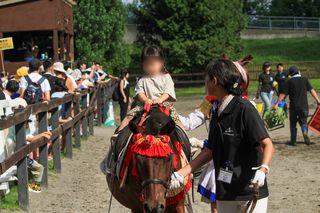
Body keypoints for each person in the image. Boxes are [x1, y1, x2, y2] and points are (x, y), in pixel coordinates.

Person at [171, 59, 275, 213]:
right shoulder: (215, 110)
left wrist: (263, 169)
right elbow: (210, 151)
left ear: (214, 80)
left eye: (206, 78)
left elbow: (268, 144)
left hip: (249, 189)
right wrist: (181, 173)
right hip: (225, 190)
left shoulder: (245, 108)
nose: (205, 83)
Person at [117, 45, 176, 131]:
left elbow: (168, 91)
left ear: (161, 63)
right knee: (129, 117)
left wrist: (160, 99)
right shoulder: (142, 80)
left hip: (163, 104)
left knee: (176, 119)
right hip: (145, 105)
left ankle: (183, 138)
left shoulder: (166, 77)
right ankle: (119, 134)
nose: (150, 67)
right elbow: (139, 92)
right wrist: (145, 100)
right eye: (146, 65)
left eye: (152, 64)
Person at [274, 66, 320, 146]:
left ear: (291, 74)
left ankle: (293, 141)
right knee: (303, 121)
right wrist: (318, 101)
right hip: (304, 106)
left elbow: (283, 94)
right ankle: (305, 133)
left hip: (294, 106)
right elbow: (312, 91)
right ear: (298, 72)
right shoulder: (304, 79)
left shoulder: (289, 81)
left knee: (293, 123)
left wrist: (277, 103)